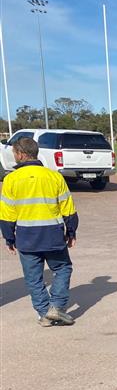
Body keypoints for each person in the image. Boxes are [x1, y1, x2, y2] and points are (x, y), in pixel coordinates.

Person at [0, 137, 78, 326]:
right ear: (35, 153)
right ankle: (57, 307)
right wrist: (71, 232)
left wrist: (9, 238)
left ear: (19, 154)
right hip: (52, 235)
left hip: (26, 237)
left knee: (33, 277)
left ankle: (44, 313)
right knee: (62, 268)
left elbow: (7, 213)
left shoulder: (11, 179)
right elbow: (68, 207)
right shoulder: (54, 177)